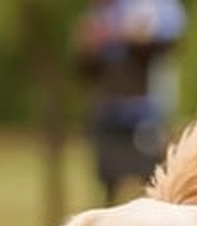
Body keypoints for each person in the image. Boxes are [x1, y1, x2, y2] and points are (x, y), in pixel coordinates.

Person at [77, 0, 185, 204]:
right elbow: (85, 64)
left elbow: (167, 42)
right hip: (108, 115)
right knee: (108, 186)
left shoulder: (153, 6)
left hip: (144, 116)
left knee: (154, 184)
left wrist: (123, 35)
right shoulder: (99, 16)